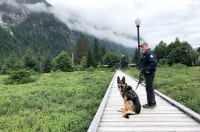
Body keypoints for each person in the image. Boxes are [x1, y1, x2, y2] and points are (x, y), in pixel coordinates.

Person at [140, 42, 157, 108]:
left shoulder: (149, 53)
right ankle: (152, 102)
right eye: (141, 47)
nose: (142, 48)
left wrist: (148, 70)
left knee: (149, 88)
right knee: (149, 88)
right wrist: (142, 70)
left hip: (149, 74)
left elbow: (153, 63)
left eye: (143, 46)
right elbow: (145, 64)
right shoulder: (145, 54)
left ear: (146, 46)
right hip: (147, 74)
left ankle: (151, 104)